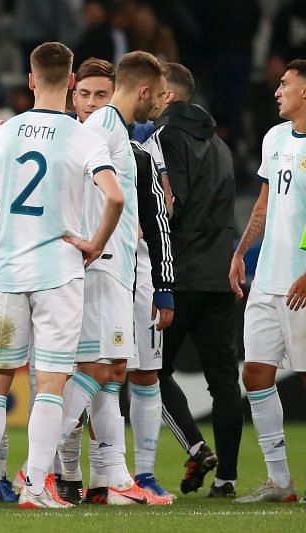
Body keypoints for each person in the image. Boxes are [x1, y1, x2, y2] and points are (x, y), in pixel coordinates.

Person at [0, 41, 123, 509]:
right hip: (58, 271)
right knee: (52, 382)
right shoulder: (83, 136)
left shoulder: (4, 133)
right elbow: (113, 196)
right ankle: (36, 487)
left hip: (8, 271)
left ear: (31, 80)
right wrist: (94, 242)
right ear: (72, 82)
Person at [54, 57, 174, 504]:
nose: (161, 104)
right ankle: (42, 468)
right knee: (98, 368)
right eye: (159, 94)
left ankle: (110, 479)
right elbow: (66, 173)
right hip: (100, 265)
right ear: (143, 90)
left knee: (114, 371)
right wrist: (88, 239)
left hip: (115, 265)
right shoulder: (102, 126)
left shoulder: (118, 130)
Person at [146, 62, 243, 498]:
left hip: (180, 274)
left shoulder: (164, 138)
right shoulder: (221, 145)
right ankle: (226, 481)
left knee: (151, 371)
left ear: (167, 96)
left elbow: (171, 205)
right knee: (224, 380)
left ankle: (196, 445)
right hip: (221, 275)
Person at [229, 59, 306, 504]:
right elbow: (263, 205)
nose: (276, 90)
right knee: (256, 375)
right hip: (267, 281)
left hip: (300, 282)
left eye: (285, 84)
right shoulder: (274, 138)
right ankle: (280, 483)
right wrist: (240, 254)